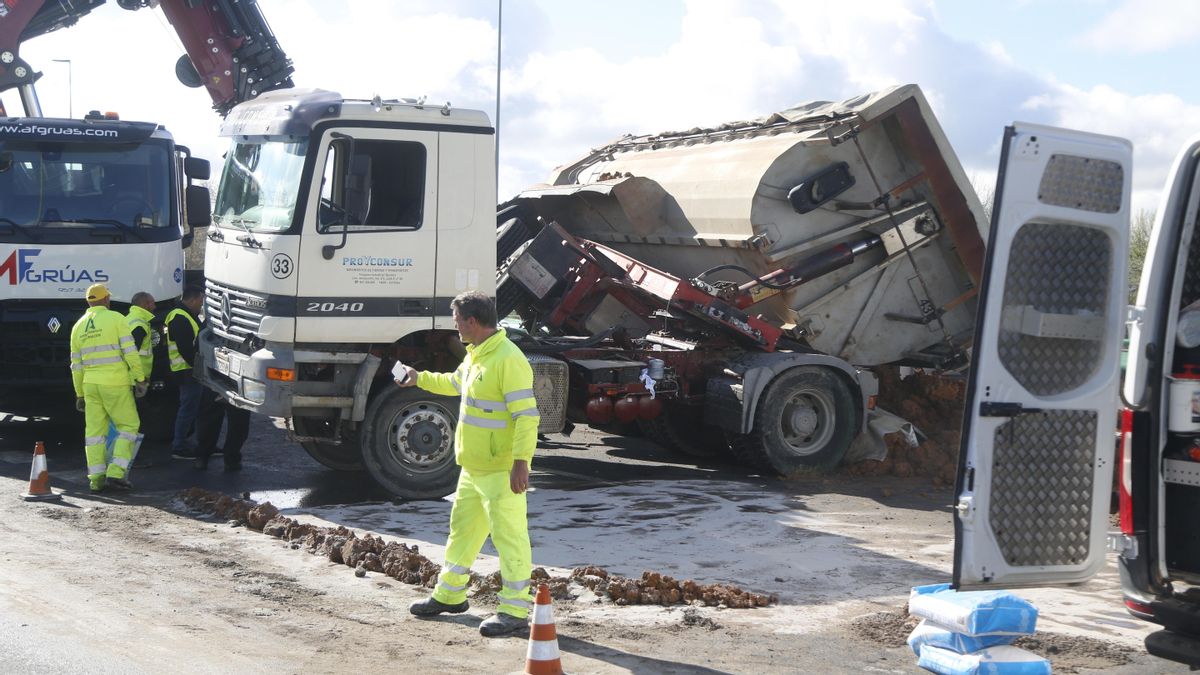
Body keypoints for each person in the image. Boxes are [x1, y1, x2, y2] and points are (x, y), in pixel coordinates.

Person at [399, 291, 541, 637]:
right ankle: (450, 594)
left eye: (457, 321)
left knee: (510, 539)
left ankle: (514, 609)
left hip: (500, 471)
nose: (456, 327)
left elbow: (527, 417)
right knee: (461, 535)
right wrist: (418, 378)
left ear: (472, 322)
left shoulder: (508, 359)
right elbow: (453, 382)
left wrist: (521, 463)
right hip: (473, 468)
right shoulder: (478, 355)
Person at [69, 283, 148, 493]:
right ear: (106, 300)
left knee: (95, 433)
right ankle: (116, 472)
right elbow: (130, 352)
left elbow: (76, 366)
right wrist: (140, 378)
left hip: (90, 385)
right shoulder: (116, 319)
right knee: (129, 426)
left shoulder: (78, 326)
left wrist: (79, 393)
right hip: (115, 383)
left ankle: (96, 478)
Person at [165, 285, 205, 460]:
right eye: (201, 302)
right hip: (187, 371)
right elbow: (185, 348)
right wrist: (198, 369)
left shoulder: (185, 314)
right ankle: (179, 446)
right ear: (194, 299)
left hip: (188, 370)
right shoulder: (179, 317)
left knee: (192, 407)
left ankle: (186, 442)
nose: (201, 305)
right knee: (188, 408)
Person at [125, 291, 157, 468]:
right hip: (133, 380)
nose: (154, 306)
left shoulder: (130, 319)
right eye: (152, 303)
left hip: (128, 378)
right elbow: (133, 354)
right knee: (134, 421)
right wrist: (140, 379)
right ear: (145, 304)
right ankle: (131, 456)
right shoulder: (139, 324)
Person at [192, 392, 250, 471]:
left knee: (209, 415)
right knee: (239, 419)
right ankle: (231, 459)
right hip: (237, 384)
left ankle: (202, 457)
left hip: (215, 381)